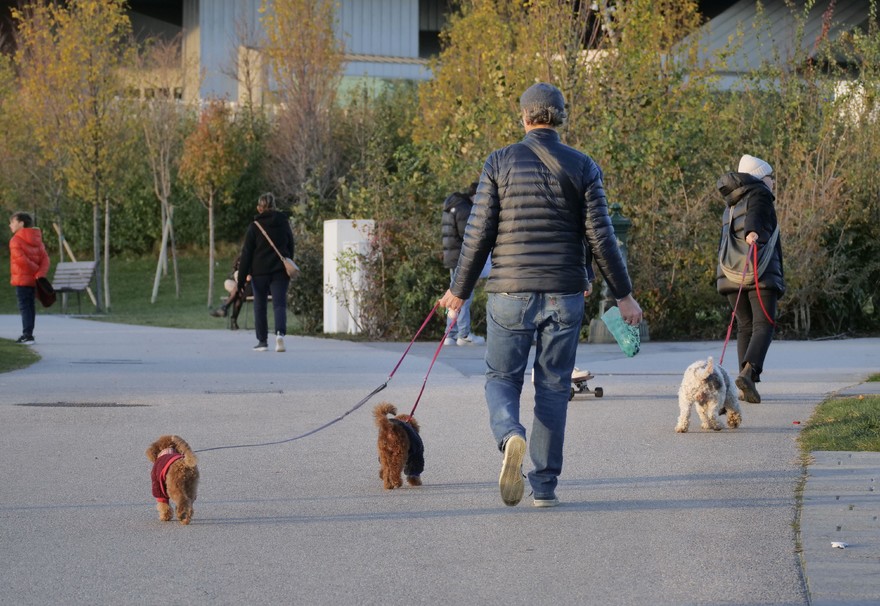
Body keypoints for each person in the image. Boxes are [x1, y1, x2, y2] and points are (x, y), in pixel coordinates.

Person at [438, 82, 643, 508]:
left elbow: (477, 235)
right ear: (561, 117)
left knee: (501, 378)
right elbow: (602, 237)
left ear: (524, 117)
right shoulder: (583, 165)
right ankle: (545, 486)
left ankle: (510, 434)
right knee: (552, 387)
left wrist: (459, 291)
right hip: (564, 293)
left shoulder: (499, 162)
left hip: (509, 292)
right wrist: (624, 295)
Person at [716, 154, 784, 404]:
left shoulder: (731, 203)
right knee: (764, 324)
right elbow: (755, 216)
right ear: (759, 178)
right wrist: (752, 232)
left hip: (730, 273)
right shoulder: (760, 193)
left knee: (745, 326)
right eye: (770, 176)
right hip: (758, 270)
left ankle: (746, 384)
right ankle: (749, 372)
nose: (773, 182)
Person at [236, 193, 294, 352]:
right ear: (274, 206)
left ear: (259, 208)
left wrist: (241, 280)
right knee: (279, 304)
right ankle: (280, 334)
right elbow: (291, 245)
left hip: (259, 272)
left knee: (260, 306)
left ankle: (262, 341)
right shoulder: (283, 223)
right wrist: (288, 261)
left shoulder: (254, 226)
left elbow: (246, 254)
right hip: (280, 271)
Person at [441, 182, 485, 346]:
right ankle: (463, 333)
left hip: (451, 256)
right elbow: (469, 236)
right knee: (464, 295)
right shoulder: (465, 209)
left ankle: (450, 333)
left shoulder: (451, 206)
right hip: (462, 258)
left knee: (454, 294)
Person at [9, 211, 50, 344]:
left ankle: (27, 335)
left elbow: (21, 260)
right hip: (34, 280)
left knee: (25, 307)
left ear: (21, 223)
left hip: (22, 280)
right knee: (30, 306)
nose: (10, 225)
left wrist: (35, 272)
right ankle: (29, 334)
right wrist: (39, 274)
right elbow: (45, 259)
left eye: (12, 222)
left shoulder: (15, 240)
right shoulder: (37, 239)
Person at [209, 254, 252, 330]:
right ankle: (232, 320)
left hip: (253, 287)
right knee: (237, 291)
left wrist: (247, 278)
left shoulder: (255, 260)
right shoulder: (242, 259)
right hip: (242, 287)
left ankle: (224, 308)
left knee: (238, 292)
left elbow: (251, 278)